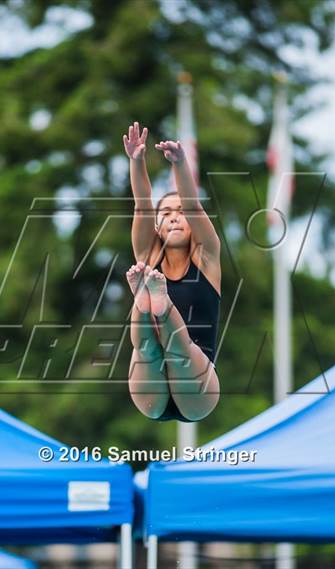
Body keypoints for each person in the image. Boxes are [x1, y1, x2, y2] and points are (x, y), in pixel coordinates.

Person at [123, 121, 221, 422]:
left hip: (197, 387)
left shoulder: (207, 258)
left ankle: (158, 305)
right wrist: (136, 161)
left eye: (181, 214)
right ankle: (147, 303)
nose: (176, 218)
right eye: (166, 214)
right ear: (157, 226)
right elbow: (142, 204)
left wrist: (180, 164)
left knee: (180, 352)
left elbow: (193, 205)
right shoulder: (147, 256)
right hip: (149, 389)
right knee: (147, 351)